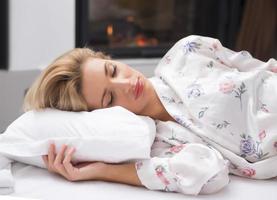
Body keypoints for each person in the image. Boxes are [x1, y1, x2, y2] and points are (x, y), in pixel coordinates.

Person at [23, 35, 277, 196]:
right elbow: (209, 174)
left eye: (112, 70)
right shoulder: (158, 141)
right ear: (100, 116)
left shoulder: (186, 52)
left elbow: (261, 68)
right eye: (109, 98)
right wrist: (100, 170)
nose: (125, 84)